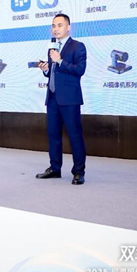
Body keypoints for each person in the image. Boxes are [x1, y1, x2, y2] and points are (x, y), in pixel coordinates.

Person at [36, 14, 88, 185]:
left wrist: (60, 60)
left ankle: (78, 172)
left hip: (70, 99)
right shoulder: (52, 49)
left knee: (75, 135)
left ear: (68, 27)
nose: (55, 29)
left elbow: (79, 70)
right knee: (53, 135)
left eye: (59, 25)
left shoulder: (78, 46)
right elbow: (53, 74)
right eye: (53, 26)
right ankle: (55, 168)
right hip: (52, 98)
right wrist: (46, 69)